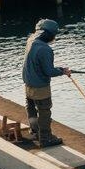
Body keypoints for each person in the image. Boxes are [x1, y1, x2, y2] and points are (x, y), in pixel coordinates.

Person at [22, 18, 70, 148]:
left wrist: (60, 69)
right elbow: (49, 71)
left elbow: (39, 65)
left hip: (28, 83)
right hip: (40, 87)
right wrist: (63, 71)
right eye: (54, 34)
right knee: (44, 111)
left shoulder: (30, 41)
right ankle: (45, 138)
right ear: (49, 34)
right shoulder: (45, 49)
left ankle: (34, 131)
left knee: (31, 107)